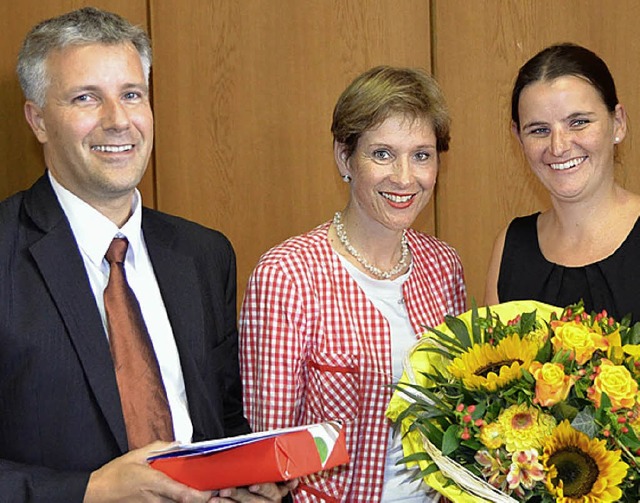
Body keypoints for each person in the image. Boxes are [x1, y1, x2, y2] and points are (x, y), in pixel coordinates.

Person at [0, 7, 291, 502]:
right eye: (86, 98)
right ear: (39, 120)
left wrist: (245, 477)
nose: (118, 121)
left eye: (132, 95)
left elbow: (221, 416)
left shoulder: (204, 254)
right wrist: (86, 491)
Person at [239, 66, 467, 502]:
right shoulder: (288, 274)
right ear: (345, 158)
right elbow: (271, 453)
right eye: (382, 154)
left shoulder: (444, 266)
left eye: (422, 155)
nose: (405, 177)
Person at [484, 43, 640, 322]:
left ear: (618, 123)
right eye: (539, 130)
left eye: (578, 122)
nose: (558, 147)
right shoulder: (511, 246)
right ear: (518, 138)